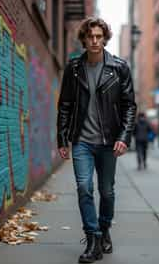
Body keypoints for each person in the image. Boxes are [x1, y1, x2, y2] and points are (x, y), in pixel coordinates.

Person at [57, 17, 136, 263]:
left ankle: (104, 229)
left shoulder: (119, 67)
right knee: (84, 188)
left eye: (99, 36)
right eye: (90, 36)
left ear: (105, 39)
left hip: (108, 142)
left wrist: (124, 137)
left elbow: (129, 106)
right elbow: (65, 105)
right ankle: (92, 238)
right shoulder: (74, 68)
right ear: (84, 39)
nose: (94, 41)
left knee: (107, 191)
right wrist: (62, 138)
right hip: (82, 140)